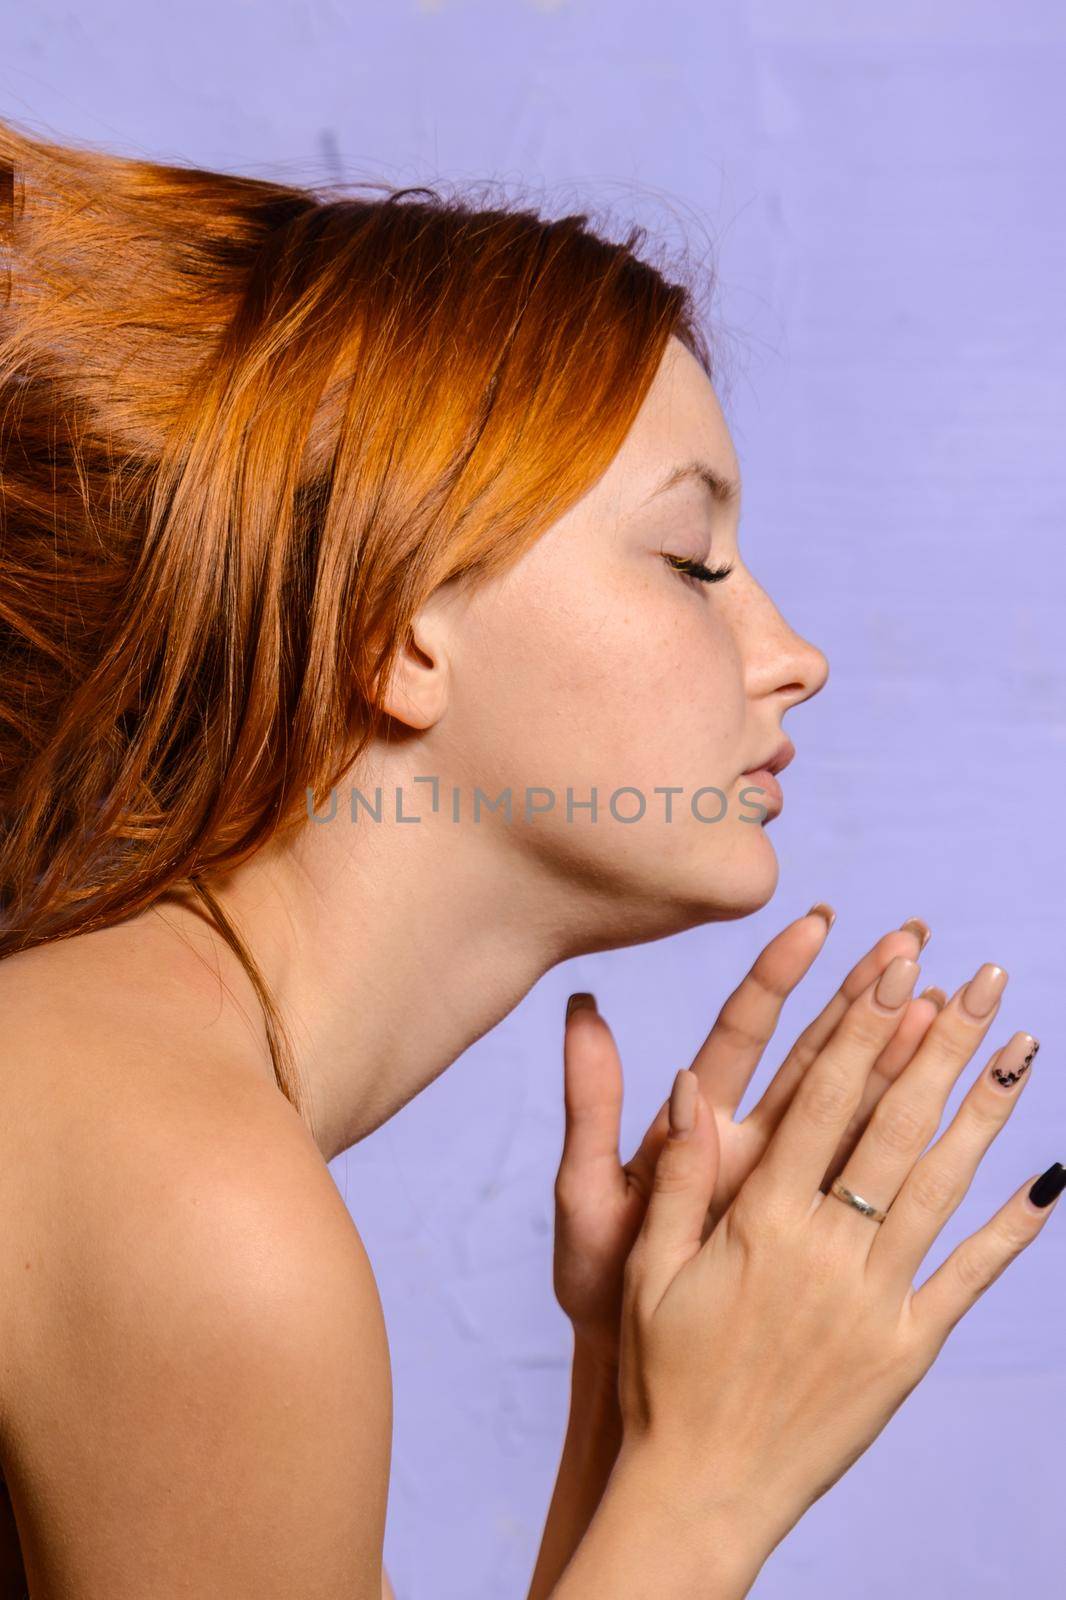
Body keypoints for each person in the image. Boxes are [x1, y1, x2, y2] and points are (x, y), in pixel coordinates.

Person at [0, 117, 1059, 1599]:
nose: (797, 657)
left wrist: (629, 1416)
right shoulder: (189, 1198)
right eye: (692, 560)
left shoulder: (123, 1080)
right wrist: (710, 1488)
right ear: (394, 629)